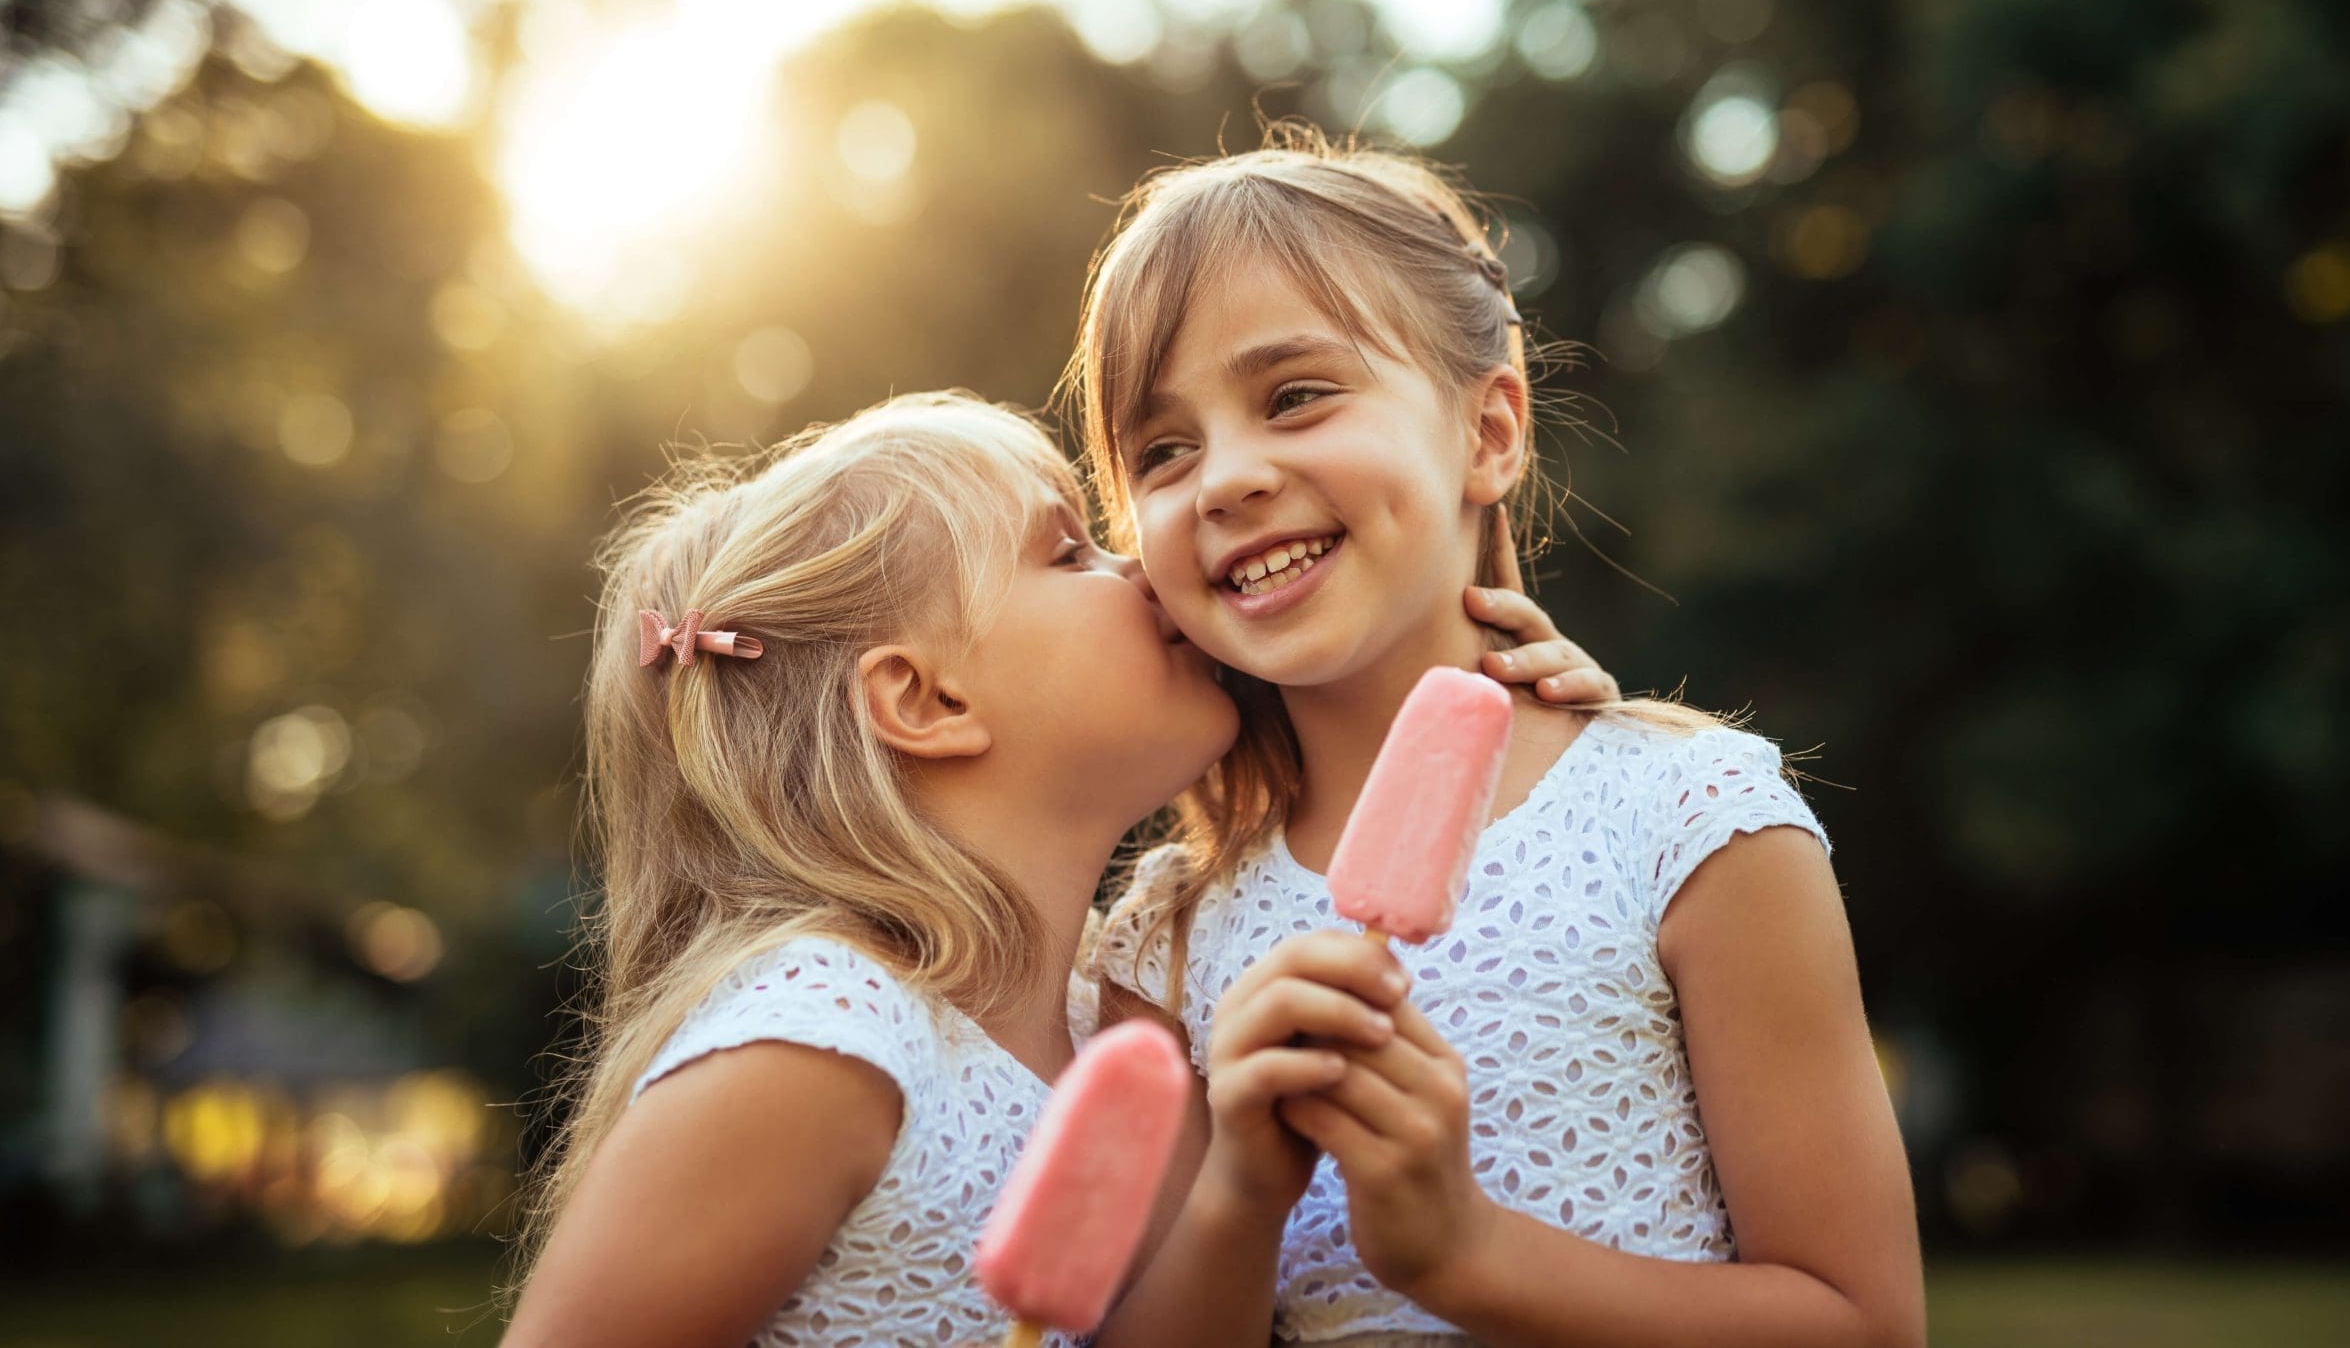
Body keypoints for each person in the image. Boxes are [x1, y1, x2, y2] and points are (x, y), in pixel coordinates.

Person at [499, 391, 1605, 1348]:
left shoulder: (1126, 1037)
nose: (1136, 566)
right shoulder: (821, 1040)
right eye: (1067, 551)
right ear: (927, 701)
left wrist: (1249, 1181)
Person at [1070, 132, 1926, 1347]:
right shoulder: (1168, 934)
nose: (1225, 477)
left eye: (1295, 395)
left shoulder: (1687, 821)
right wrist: (1243, 1190)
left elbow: (1863, 1321)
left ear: (1489, 434)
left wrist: (1464, 1253)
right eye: (1162, 450)